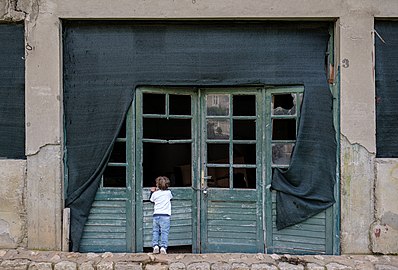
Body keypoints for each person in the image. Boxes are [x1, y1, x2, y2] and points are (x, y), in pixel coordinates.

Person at [149, 176, 173, 254]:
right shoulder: (168, 193)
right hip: (165, 216)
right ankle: (163, 247)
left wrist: (152, 191)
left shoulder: (155, 194)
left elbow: (151, 200)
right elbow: (171, 197)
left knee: (155, 231)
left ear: (157, 185)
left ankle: (155, 246)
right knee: (164, 232)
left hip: (156, 215)